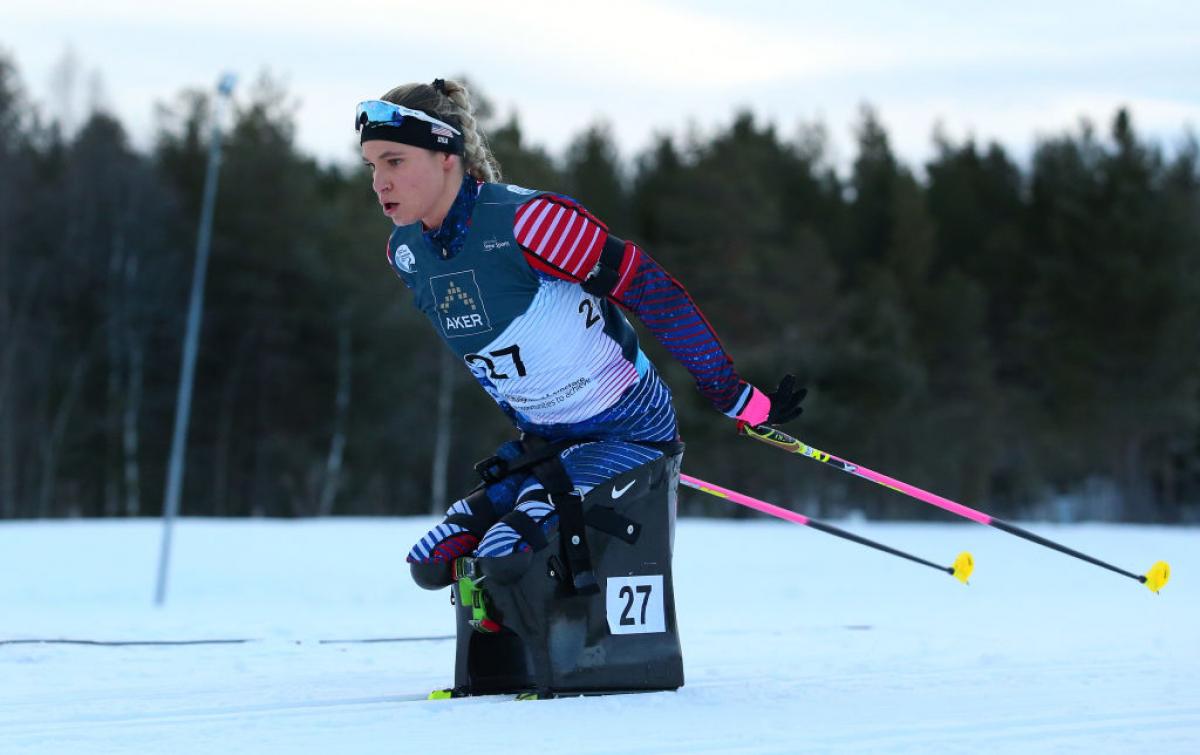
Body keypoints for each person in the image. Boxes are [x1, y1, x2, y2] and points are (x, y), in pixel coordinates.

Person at [356, 78, 805, 589]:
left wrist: (732, 394)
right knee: (432, 562)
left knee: (507, 555)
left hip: (629, 428)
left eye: (395, 162)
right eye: (371, 166)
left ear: (446, 157)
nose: (379, 183)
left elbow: (656, 294)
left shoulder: (530, 221)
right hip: (548, 440)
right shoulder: (407, 253)